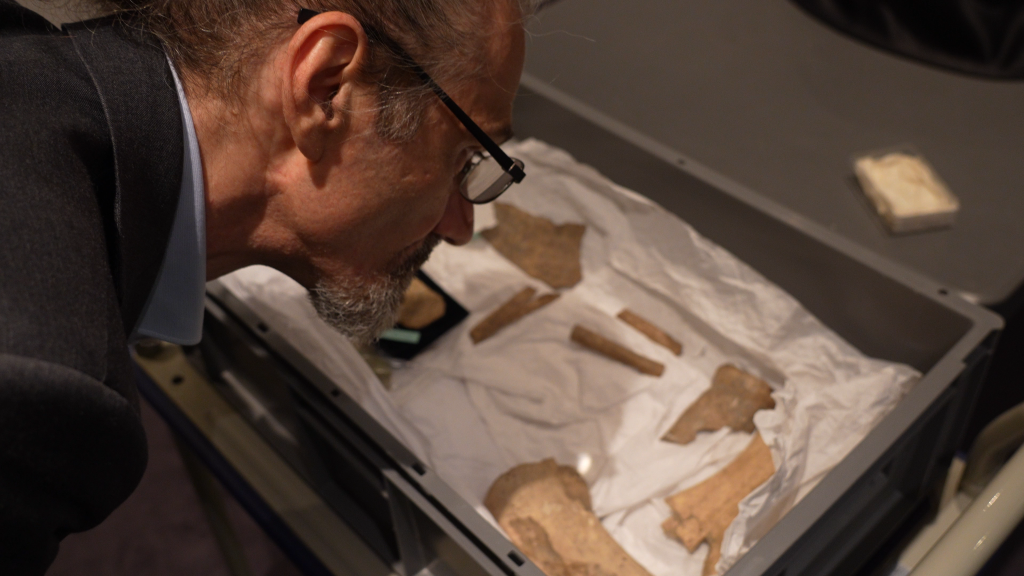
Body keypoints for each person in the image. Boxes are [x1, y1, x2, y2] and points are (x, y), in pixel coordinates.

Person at [0, 0, 530, 572]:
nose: (460, 227)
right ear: (326, 86)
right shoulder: (40, 392)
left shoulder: (24, 53)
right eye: (465, 160)